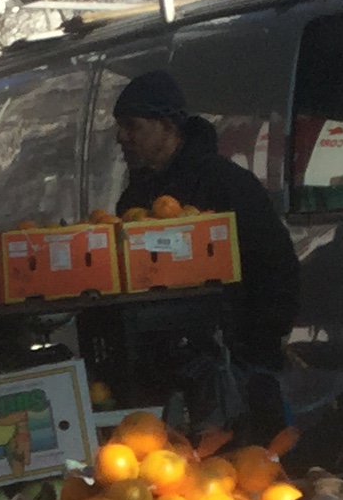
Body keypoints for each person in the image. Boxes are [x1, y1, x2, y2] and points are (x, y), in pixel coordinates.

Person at [109, 69, 302, 366]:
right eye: (119, 127)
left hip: (231, 359)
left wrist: (254, 344)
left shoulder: (226, 185)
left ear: (168, 126)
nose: (121, 137)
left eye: (132, 126)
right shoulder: (133, 200)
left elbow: (276, 266)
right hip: (160, 361)